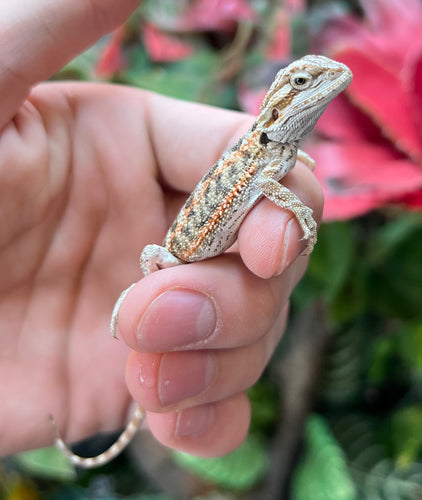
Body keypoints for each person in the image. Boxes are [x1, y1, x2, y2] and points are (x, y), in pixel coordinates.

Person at [0, 0, 323, 459]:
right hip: (179, 253)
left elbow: (272, 178)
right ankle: (125, 312)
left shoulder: (276, 152)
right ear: (279, 107)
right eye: (304, 83)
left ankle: (134, 348)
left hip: (184, 271)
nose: (322, 85)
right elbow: (268, 183)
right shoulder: (261, 154)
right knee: (162, 277)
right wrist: (297, 205)